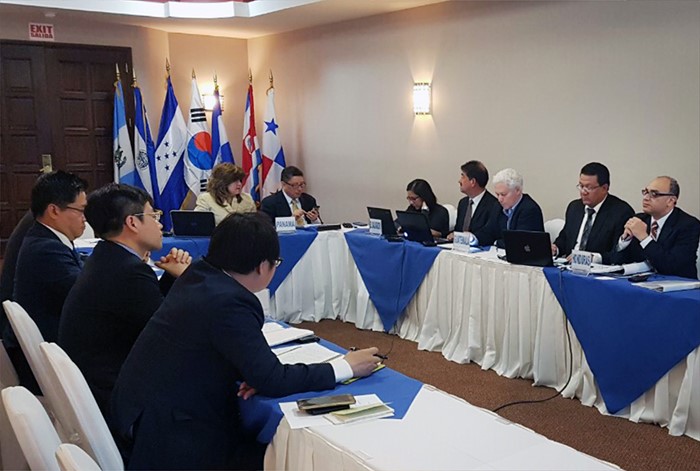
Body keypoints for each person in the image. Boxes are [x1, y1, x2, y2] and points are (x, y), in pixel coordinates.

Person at [110, 212, 381, 470]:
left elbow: (213, 346)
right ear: (263, 266)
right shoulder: (230, 301)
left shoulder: (200, 273)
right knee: (274, 456)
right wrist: (345, 367)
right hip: (172, 435)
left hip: (140, 411)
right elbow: (273, 380)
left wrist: (252, 371)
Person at [58, 184, 192, 419]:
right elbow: (172, 334)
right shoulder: (129, 271)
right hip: (119, 399)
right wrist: (186, 280)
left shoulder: (108, 257)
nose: (160, 224)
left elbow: (151, 313)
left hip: (100, 385)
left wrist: (172, 277)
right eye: (154, 216)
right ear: (132, 223)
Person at [2, 170, 88, 393]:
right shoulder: (46, 250)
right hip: (48, 358)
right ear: (54, 210)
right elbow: (85, 295)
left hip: (42, 346)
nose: (85, 219)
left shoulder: (44, 237)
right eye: (81, 211)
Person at [611, 176, 700, 279]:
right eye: (645, 192)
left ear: (671, 200)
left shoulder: (688, 225)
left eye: (654, 194)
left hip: (678, 284)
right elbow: (617, 260)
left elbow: (672, 266)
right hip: (643, 281)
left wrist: (644, 238)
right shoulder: (640, 219)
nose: (646, 198)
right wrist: (625, 240)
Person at [552, 162, 634, 264]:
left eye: (589, 187)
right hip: (569, 267)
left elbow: (620, 253)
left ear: (604, 188)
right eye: (581, 186)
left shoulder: (621, 212)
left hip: (596, 269)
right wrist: (555, 248)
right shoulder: (574, 207)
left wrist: (590, 258)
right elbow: (565, 238)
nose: (583, 192)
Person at [471, 168, 544, 248]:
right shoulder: (498, 206)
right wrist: (473, 238)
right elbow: (488, 231)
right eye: (497, 194)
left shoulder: (530, 209)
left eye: (503, 194)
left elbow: (519, 242)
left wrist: (496, 242)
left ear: (518, 190)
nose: (500, 199)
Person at [447, 160, 499, 241]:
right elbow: (459, 230)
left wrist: (469, 238)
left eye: (463, 176)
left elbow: (489, 234)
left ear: (473, 182)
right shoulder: (463, 203)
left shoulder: (494, 205)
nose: (459, 181)